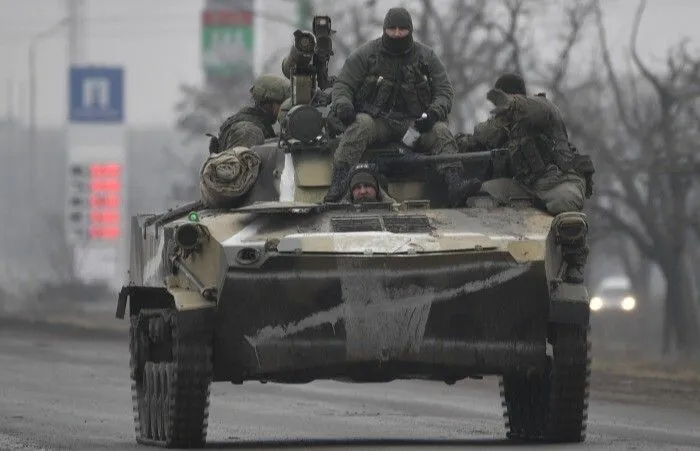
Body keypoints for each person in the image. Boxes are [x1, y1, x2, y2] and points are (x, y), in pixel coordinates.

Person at [323, 6, 480, 206]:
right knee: (360, 125)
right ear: (384, 29)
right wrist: (343, 106)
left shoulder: (426, 57)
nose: (397, 34)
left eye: (402, 29)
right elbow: (343, 85)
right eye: (392, 28)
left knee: (441, 131)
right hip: (377, 122)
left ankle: (455, 183)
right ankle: (339, 183)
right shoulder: (366, 55)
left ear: (410, 30)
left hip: (415, 125)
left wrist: (432, 114)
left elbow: (445, 91)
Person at [459, 73, 594, 283]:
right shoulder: (502, 125)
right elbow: (481, 137)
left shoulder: (544, 110)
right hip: (524, 186)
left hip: (558, 181)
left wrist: (512, 104)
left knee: (565, 205)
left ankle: (574, 261)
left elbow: (534, 109)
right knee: (483, 193)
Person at [209, 74, 291, 153]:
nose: (285, 108)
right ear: (269, 103)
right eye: (283, 103)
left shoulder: (258, 126)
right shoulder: (249, 132)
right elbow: (240, 162)